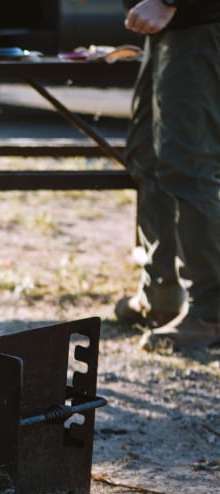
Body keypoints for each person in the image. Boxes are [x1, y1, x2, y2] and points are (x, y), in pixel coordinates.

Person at [114, 0, 220, 350]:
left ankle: (210, 313)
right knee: (147, 157)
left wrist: (168, 1)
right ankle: (161, 296)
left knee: (188, 167)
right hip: (168, 29)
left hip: (196, 22)